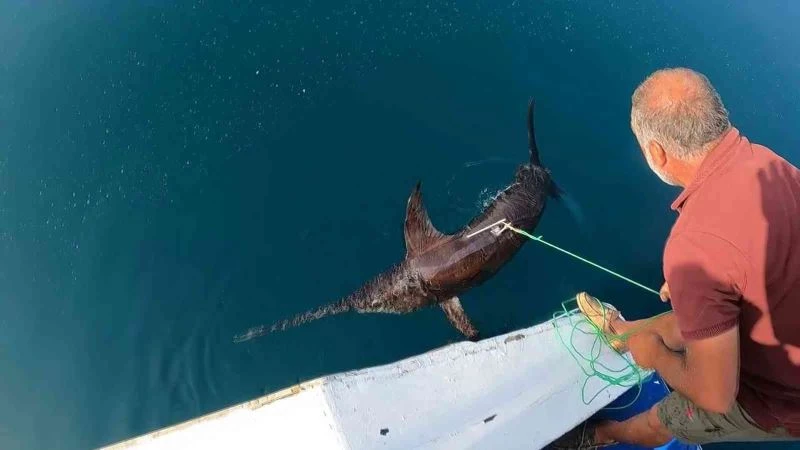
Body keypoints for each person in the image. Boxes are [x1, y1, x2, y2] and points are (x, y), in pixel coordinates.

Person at [547, 67, 800, 449]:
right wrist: (707, 282)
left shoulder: (694, 245)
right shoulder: (771, 165)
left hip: (779, 396)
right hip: (783, 321)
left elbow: (716, 396)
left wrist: (657, 358)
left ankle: (602, 435)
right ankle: (622, 335)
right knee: (687, 319)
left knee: (665, 418)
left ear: (656, 153)